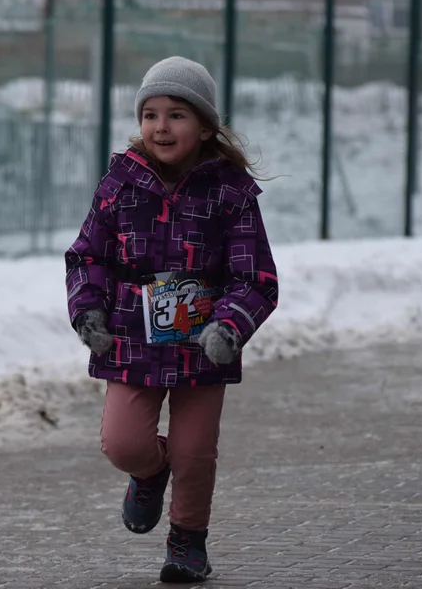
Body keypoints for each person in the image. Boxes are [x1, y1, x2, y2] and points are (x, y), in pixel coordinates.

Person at [64, 56, 278, 583]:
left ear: (205, 127)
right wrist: (87, 309)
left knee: (195, 451)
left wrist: (229, 325)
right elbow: (86, 256)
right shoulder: (120, 185)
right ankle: (150, 472)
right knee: (123, 443)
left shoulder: (231, 193)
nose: (161, 127)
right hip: (132, 343)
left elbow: (256, 278)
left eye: (178, 115)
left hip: (204, 348)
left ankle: (188, 540)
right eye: (151, 115)